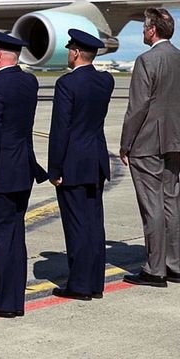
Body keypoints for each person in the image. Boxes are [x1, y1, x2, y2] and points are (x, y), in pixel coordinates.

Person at [0, 30, 48, 318]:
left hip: (1, 174)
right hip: (22, 170)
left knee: (1, 237)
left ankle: (5, 301)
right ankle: (14, 298)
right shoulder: (29, 82)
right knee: (16, 236)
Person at [120, 7, 180, 287]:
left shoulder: (146, 60)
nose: (142, 32)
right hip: (174, 139)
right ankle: (174, 266)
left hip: (148, 141)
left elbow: (137, 107)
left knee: (151, 205)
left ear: (152, 30)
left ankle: (154, 269)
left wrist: (126, 143)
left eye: (143, 28)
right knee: (170, 201)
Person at [47, 29, 114, 301]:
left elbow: (60, 129)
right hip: (96, 159)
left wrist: (55, 168)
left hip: (73, 163)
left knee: (76, 227)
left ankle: (79, 285)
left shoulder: (67, 84)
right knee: (94, 225)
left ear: (75, 53)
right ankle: (95, 283)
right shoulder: (105, 81)